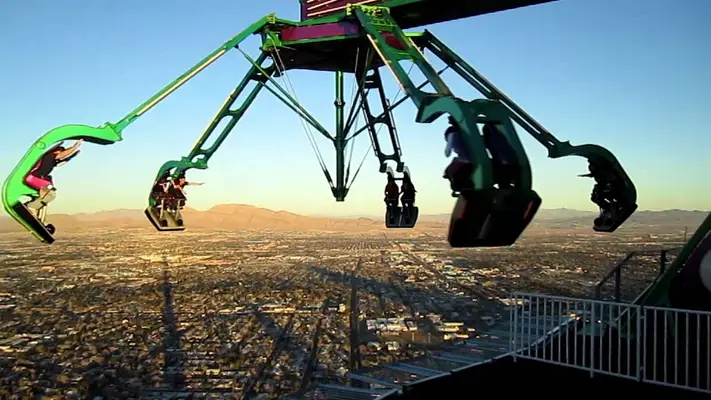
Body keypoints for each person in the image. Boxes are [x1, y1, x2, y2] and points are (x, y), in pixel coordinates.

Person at [24, 140, 83, 219]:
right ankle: (31, 206)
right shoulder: (49, 155)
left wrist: (72, 156)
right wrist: (75, 147)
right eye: (61, 151)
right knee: (51, 194)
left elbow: (62, 162)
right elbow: (63, 155)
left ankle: (35, 210)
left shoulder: (51, 160)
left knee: (46, 195)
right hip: (34, 177)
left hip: (36, 178)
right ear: (56, 151)